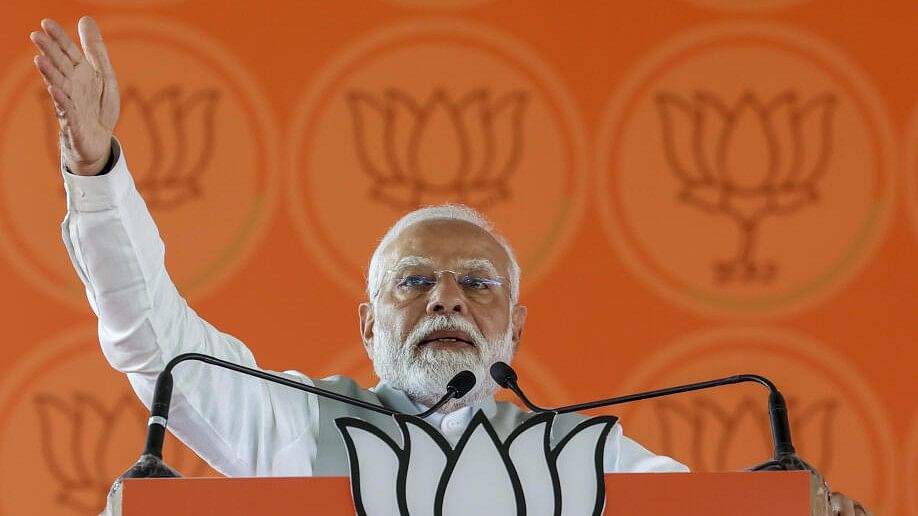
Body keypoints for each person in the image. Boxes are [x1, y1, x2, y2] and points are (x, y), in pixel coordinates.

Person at [30, 16, 872, 516]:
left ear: (514, 325)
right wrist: (98, 169)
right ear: (367, 323)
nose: (448, 299)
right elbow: (151, 337)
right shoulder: (294, 427)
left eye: (478, 283)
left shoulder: (586, 456)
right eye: (414, 282)